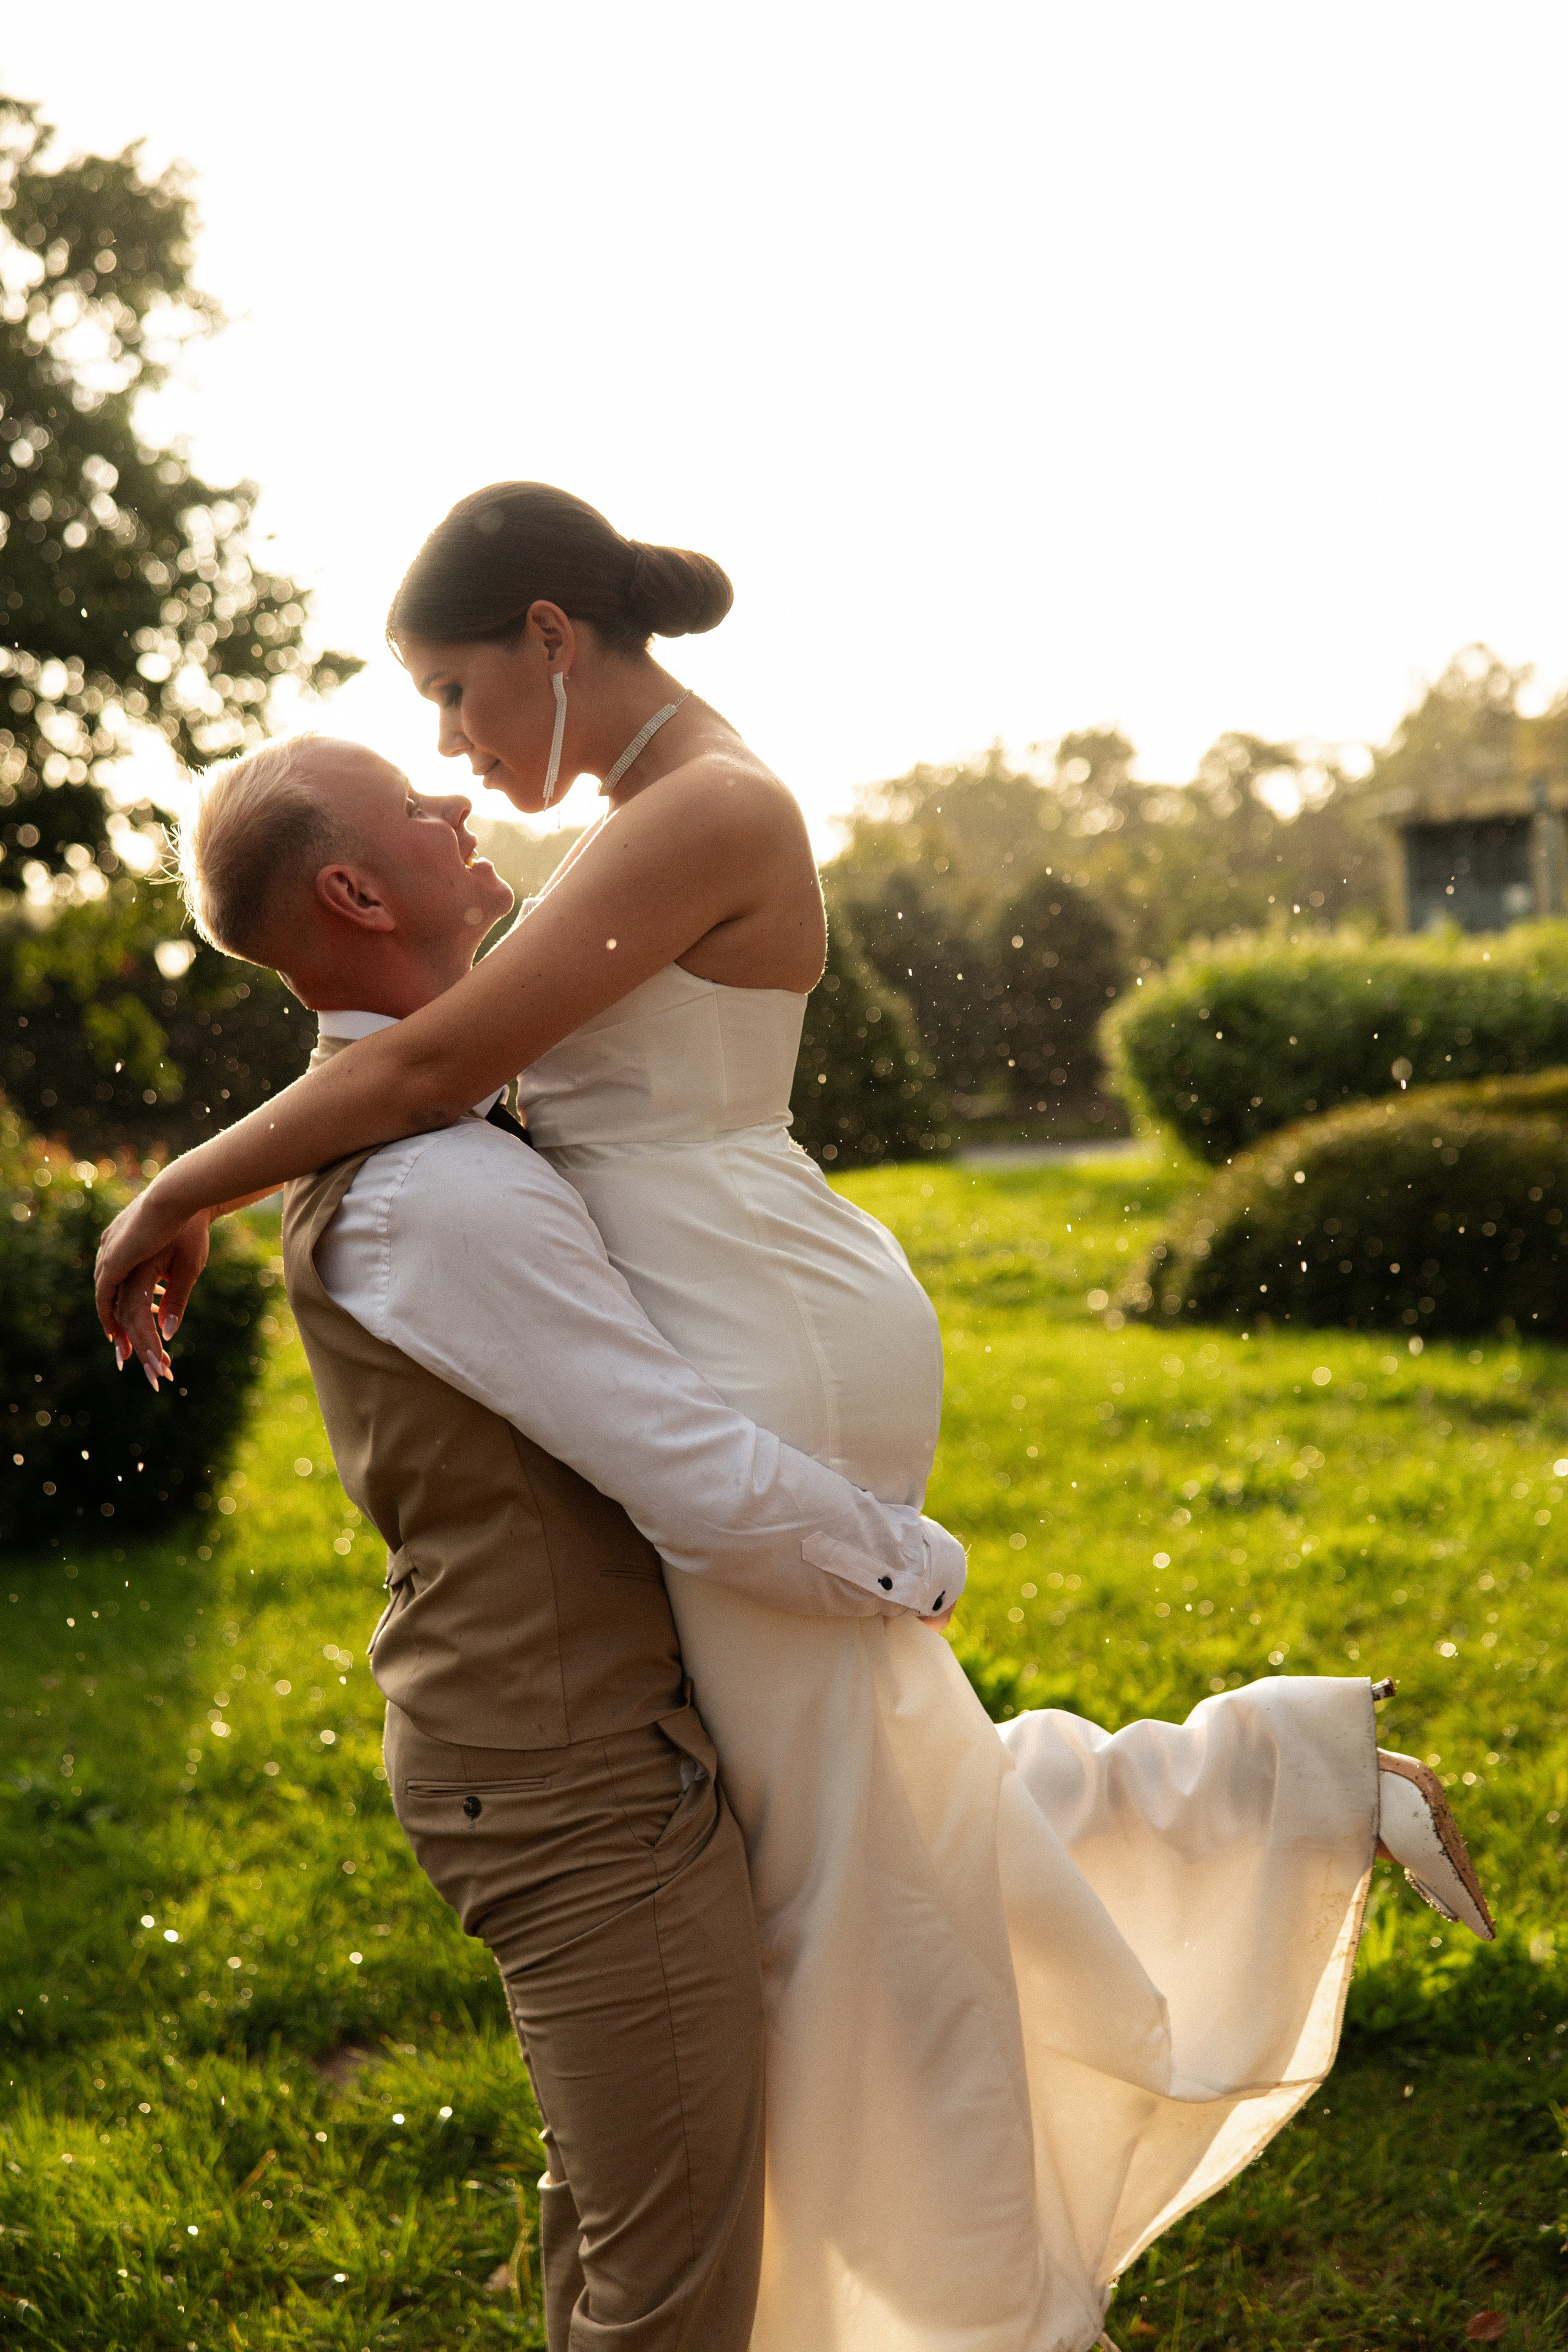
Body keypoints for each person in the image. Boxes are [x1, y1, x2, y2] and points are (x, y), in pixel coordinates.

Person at [98, 484, 1493, 2351]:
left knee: (852, 1859)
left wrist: (170, 1192)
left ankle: (936, 2261)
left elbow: (432, 1061)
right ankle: (1279, 1795)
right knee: (869, 1805)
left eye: (452, 691)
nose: (454, 748)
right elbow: (427, 1070)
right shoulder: (624, 820)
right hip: (725, 1302)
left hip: (751, 1322)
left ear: (549, 636)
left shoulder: (710, 805)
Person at [157, 737, 965, 2352]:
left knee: (622, 2199)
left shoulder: (429, 1122)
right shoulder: (440, 1190)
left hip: (551, 1738)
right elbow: (688, 1473)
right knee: (679, 2281)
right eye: (418, 798)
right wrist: (912, 1566)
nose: (462, 802)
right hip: (571, 1766)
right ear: (355, 890)